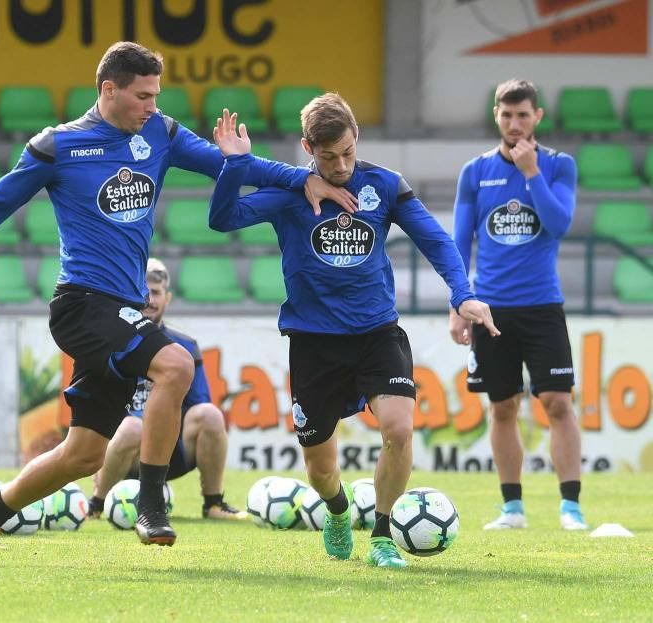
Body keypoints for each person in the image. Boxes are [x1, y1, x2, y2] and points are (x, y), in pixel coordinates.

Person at [0, 41, 344, 563]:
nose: (152, 105)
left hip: (123, 309)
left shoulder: (159, 132)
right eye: (142, 95)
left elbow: (229, 163)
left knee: (82, 455)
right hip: (82, 304)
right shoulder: (57, 146)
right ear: (108, 89)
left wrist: (305, 178)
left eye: (156, 94)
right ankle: (152, 502)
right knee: (176, 364)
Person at [208, 96, 500, 568]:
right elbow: (223, 219)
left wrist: (461, 293)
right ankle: (339, 510)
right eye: (328, 157)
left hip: (376, 332)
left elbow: (436, 239)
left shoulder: (384, 185)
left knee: (399, 430)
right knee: (321, 469)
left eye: (347, 151)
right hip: (313, 341)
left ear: (356, 135)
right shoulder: (291, 192)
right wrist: (235, 165)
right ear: (308, 147)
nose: (341, 164)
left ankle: (383, 534)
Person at [450, 79, 586, 532]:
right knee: (502, 406)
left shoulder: (559, 166)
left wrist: (531, 173)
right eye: (506, 115)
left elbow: (559, 223)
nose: (514, 124)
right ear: (496, 115)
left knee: (558, 403)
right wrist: (458, 302)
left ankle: (571, 507)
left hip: (543, 305)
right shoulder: (475, 171)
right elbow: (459, 240)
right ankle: (512, 509)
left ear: (537, 117)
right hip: (491, 309)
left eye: (523, 115)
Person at [88, 258, 247, 522]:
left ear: (168, 298)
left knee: (210, 414)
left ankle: (214, 503)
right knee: (132, 428)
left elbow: (198, 406)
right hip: (121, 453)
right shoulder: (111, 341)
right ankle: (96, 504)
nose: (150, 299)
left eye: (156, 293)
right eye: (144, 292)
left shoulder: (185, 346)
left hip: (170, 451)